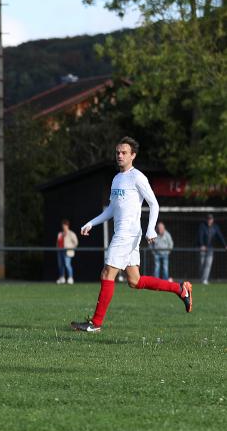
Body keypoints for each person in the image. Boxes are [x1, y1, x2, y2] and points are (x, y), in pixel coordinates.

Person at [71, 137, 192, 333]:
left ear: (133, 155)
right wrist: (91, 223)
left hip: (127, 234)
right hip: (124, 233)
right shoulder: (117, 178)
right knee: (135, 281)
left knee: (107, 273)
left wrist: (151, 228)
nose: (119, 155)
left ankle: (96, 323)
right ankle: (180, 289)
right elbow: (111, 209)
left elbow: (154, 203)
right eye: (118, 152)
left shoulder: (137, 177)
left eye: (124, 152)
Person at [197, 213, 226, 285]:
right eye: (208, 219)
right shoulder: (202, 226)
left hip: (210, 248)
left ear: (212, 220)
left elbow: (220, 236)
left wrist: (225, 245)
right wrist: (202, 245)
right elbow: (200, 236)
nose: (209, 220)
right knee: (202, 263)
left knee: (208, 264)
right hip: (203, 248)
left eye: (211, 219)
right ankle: (202, 278)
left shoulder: (215, 227)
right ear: (206, 220)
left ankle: (205, 279)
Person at [56, 219, 78, 284]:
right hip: (60, 251)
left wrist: (70, 248)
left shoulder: (71, 233)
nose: (64, 227)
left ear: (67, 226)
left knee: (67, 264)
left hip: (67, 252)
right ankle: (62, 278)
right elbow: (58, 242)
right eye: (63, 225)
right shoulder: (60, 234)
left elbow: (76, 242)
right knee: (61, 265)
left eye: (65, 225)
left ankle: (70, 278)